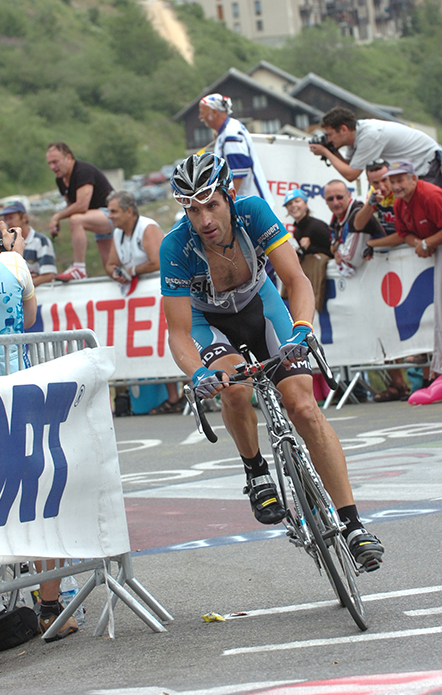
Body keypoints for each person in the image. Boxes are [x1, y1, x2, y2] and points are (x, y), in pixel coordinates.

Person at [160, 152, 384, 572]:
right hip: (211, 323)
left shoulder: (254, 213)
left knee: (304, 407)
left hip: (261, 307)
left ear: (229, 195)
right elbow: (177, 331)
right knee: (234, 390)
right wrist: (199, 373)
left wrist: (301, 327)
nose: (204, 218)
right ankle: (256, 472)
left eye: (210, 204)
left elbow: (297, 280)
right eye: (192, 208)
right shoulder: (176, 247)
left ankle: (353, 524)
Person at [0, 178, 77, 671]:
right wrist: (14, 254)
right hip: (14, 395)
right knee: (35, 498)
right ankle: (53, 611)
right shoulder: (12, 263)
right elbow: (29, 319)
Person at [105, 190, 185, 413]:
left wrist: (132, 270)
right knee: (151, 345)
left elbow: (159, 261)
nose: (109, 216)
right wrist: (117, 273)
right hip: (141, 301)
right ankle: (169, 395)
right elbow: (110, 263)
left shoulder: (146, 228)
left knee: (168, 341)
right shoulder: (118, 234)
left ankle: (178, 394)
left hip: (162, 295)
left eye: (114, 211)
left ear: (129, 211)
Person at [382, 160, 442, 377]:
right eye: (392, 181)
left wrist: (427, 243)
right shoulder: (399, 203)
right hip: (437, 255)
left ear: (413, 179)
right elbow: (403, 233)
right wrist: (420, 243)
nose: (396, 186)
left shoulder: (431, 195)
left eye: (400, 180)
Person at [354, 161, 410, 402]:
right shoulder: (373, 196)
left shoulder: (402, 194)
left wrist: (373, 244)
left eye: (385, 180)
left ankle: (429, 378)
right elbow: (357, 225)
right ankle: (397, 383)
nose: (382, 186)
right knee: (386, 322)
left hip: (410, 256)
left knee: (415, 320)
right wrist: (371, 203)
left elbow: (404, 234)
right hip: (387, 263)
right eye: (375, 182)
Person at [309, 107, 442, 188]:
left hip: (427, 162)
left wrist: (326, 152)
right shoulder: (355, 133)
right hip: (414, 167)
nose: (328, 139)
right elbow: (349, 166)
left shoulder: (370, 136)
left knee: (428, 210)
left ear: (343, 129)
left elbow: (351, 175)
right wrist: (333, 151)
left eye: (330, 135)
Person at [46, 142, 114, 281]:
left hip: (112, 214)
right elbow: (71, 206)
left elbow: (81, 205)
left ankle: (79, 268)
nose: (53, 167)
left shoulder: (82, 171)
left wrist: (57, 216)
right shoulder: (61, 181)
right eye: (49, 163)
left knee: (76, 220)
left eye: (55, 162)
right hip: (96, 218)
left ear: (68, 157)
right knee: (110, 268)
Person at [198, 93, 274, 207]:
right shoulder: (228, 130)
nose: (200, 117)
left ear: (214, 112)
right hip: (249, 201)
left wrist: (227, 205)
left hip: (251, 204)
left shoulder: (230, 134)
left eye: (203, 112)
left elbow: (239, 173)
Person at [283, 188, 332, 313]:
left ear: (305, 204)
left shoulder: (317, 226)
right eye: (289, 204)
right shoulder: (297, 231)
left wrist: (310, 248)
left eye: (297, 201)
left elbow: (331, 250)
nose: (293, 206)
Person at [324, 179, 383, 275]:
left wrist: (337, 248)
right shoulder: (335, 219)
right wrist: (336, 251)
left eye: (339, 197)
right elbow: (332, 247)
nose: (335, 203)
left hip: (382, 270)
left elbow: (352, 258)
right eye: (330, 199)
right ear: (325, 201)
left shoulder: (358, 213)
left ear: (349, 195)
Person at [0, 201, 57, 286]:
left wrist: (23, 286)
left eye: (11, 218)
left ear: (24, 217)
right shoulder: (3, 243)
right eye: (5, 219)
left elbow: (49, 275)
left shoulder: (40, 241)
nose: (8, 222)